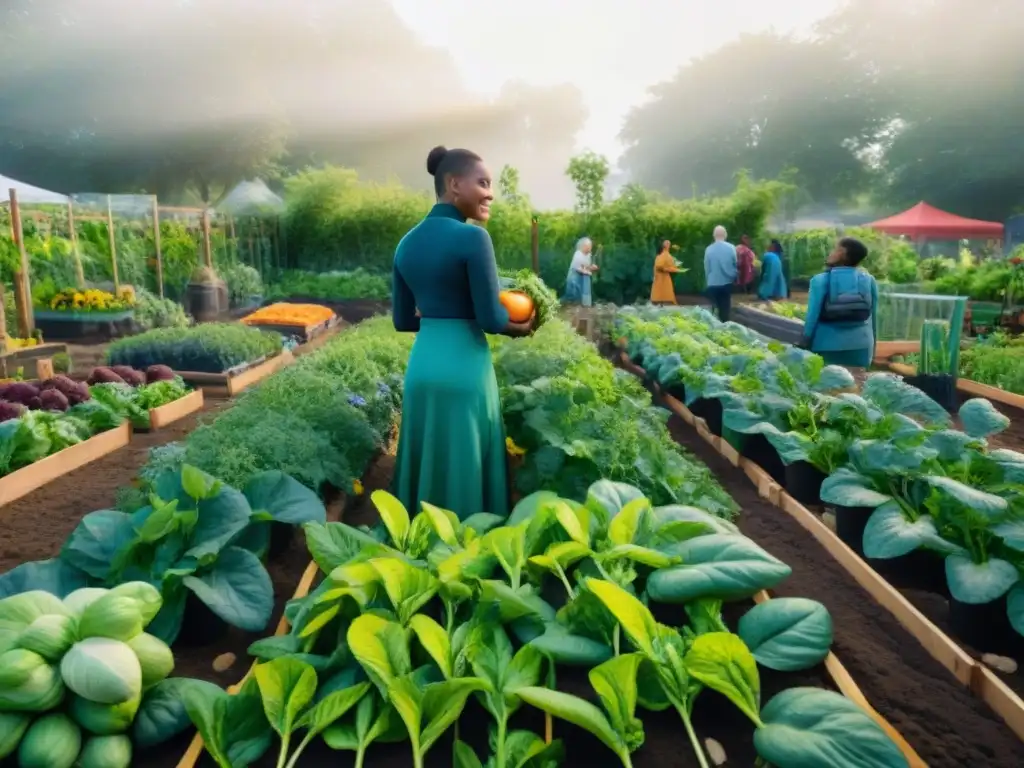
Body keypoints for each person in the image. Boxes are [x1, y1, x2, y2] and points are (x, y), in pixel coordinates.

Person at [391, 145, 534, 520]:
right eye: (483, 183)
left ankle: (416, 542)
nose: (490, 193)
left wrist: (439, 313)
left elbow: (403, 321)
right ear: (454, 184)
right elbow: (491, 319)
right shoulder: (473, 239)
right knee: (465, 462)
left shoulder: (406, 244)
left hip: (423, 366)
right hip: (464, 367)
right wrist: (524, 325)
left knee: (429, 456)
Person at [801, 236, 878, 368]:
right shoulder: (869, 280)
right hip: (861, 346)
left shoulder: (819, 280)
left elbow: (812, 317)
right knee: (857, 385)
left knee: (827, 386)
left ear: (841, 253)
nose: (831, 252)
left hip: (826, 345)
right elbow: (874, 318)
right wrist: (873, 346)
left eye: (835, 249)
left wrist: (805, 342)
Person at [704, 225, 737, 321]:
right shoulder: (731, 248)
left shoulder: (708, 249)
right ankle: (724, 327)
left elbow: (707, 268)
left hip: (712, 283)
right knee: (725, 309)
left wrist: (708, 281)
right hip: (727, 283)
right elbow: (735, 264)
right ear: (725, 235)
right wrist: (733, 276)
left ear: (714, 235)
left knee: (714, 309)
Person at [564, 237, 598, 307]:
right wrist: (586, 271)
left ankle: (584, 305)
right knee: (574, 294)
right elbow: (577, 267)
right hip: (574, 277)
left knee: (582, 294)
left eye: (590, 246)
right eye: (588, 246)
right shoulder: (578, 254)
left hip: (582, 278)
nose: (589, 248)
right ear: (583, 246)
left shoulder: (588, 255)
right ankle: (570, 304)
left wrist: (592, 267)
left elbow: (585, 266)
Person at [650, 239, 681, 304]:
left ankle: (662, 303)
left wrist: (675, 268)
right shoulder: (663, 255)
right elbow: (659, 266)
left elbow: (670, 265)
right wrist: (672, 269)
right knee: (663, 296)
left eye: (669, 244)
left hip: (664, 278)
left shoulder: (666, 255)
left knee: (665, 294)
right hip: (661, 278)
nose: (668, 245)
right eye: (667, 244)